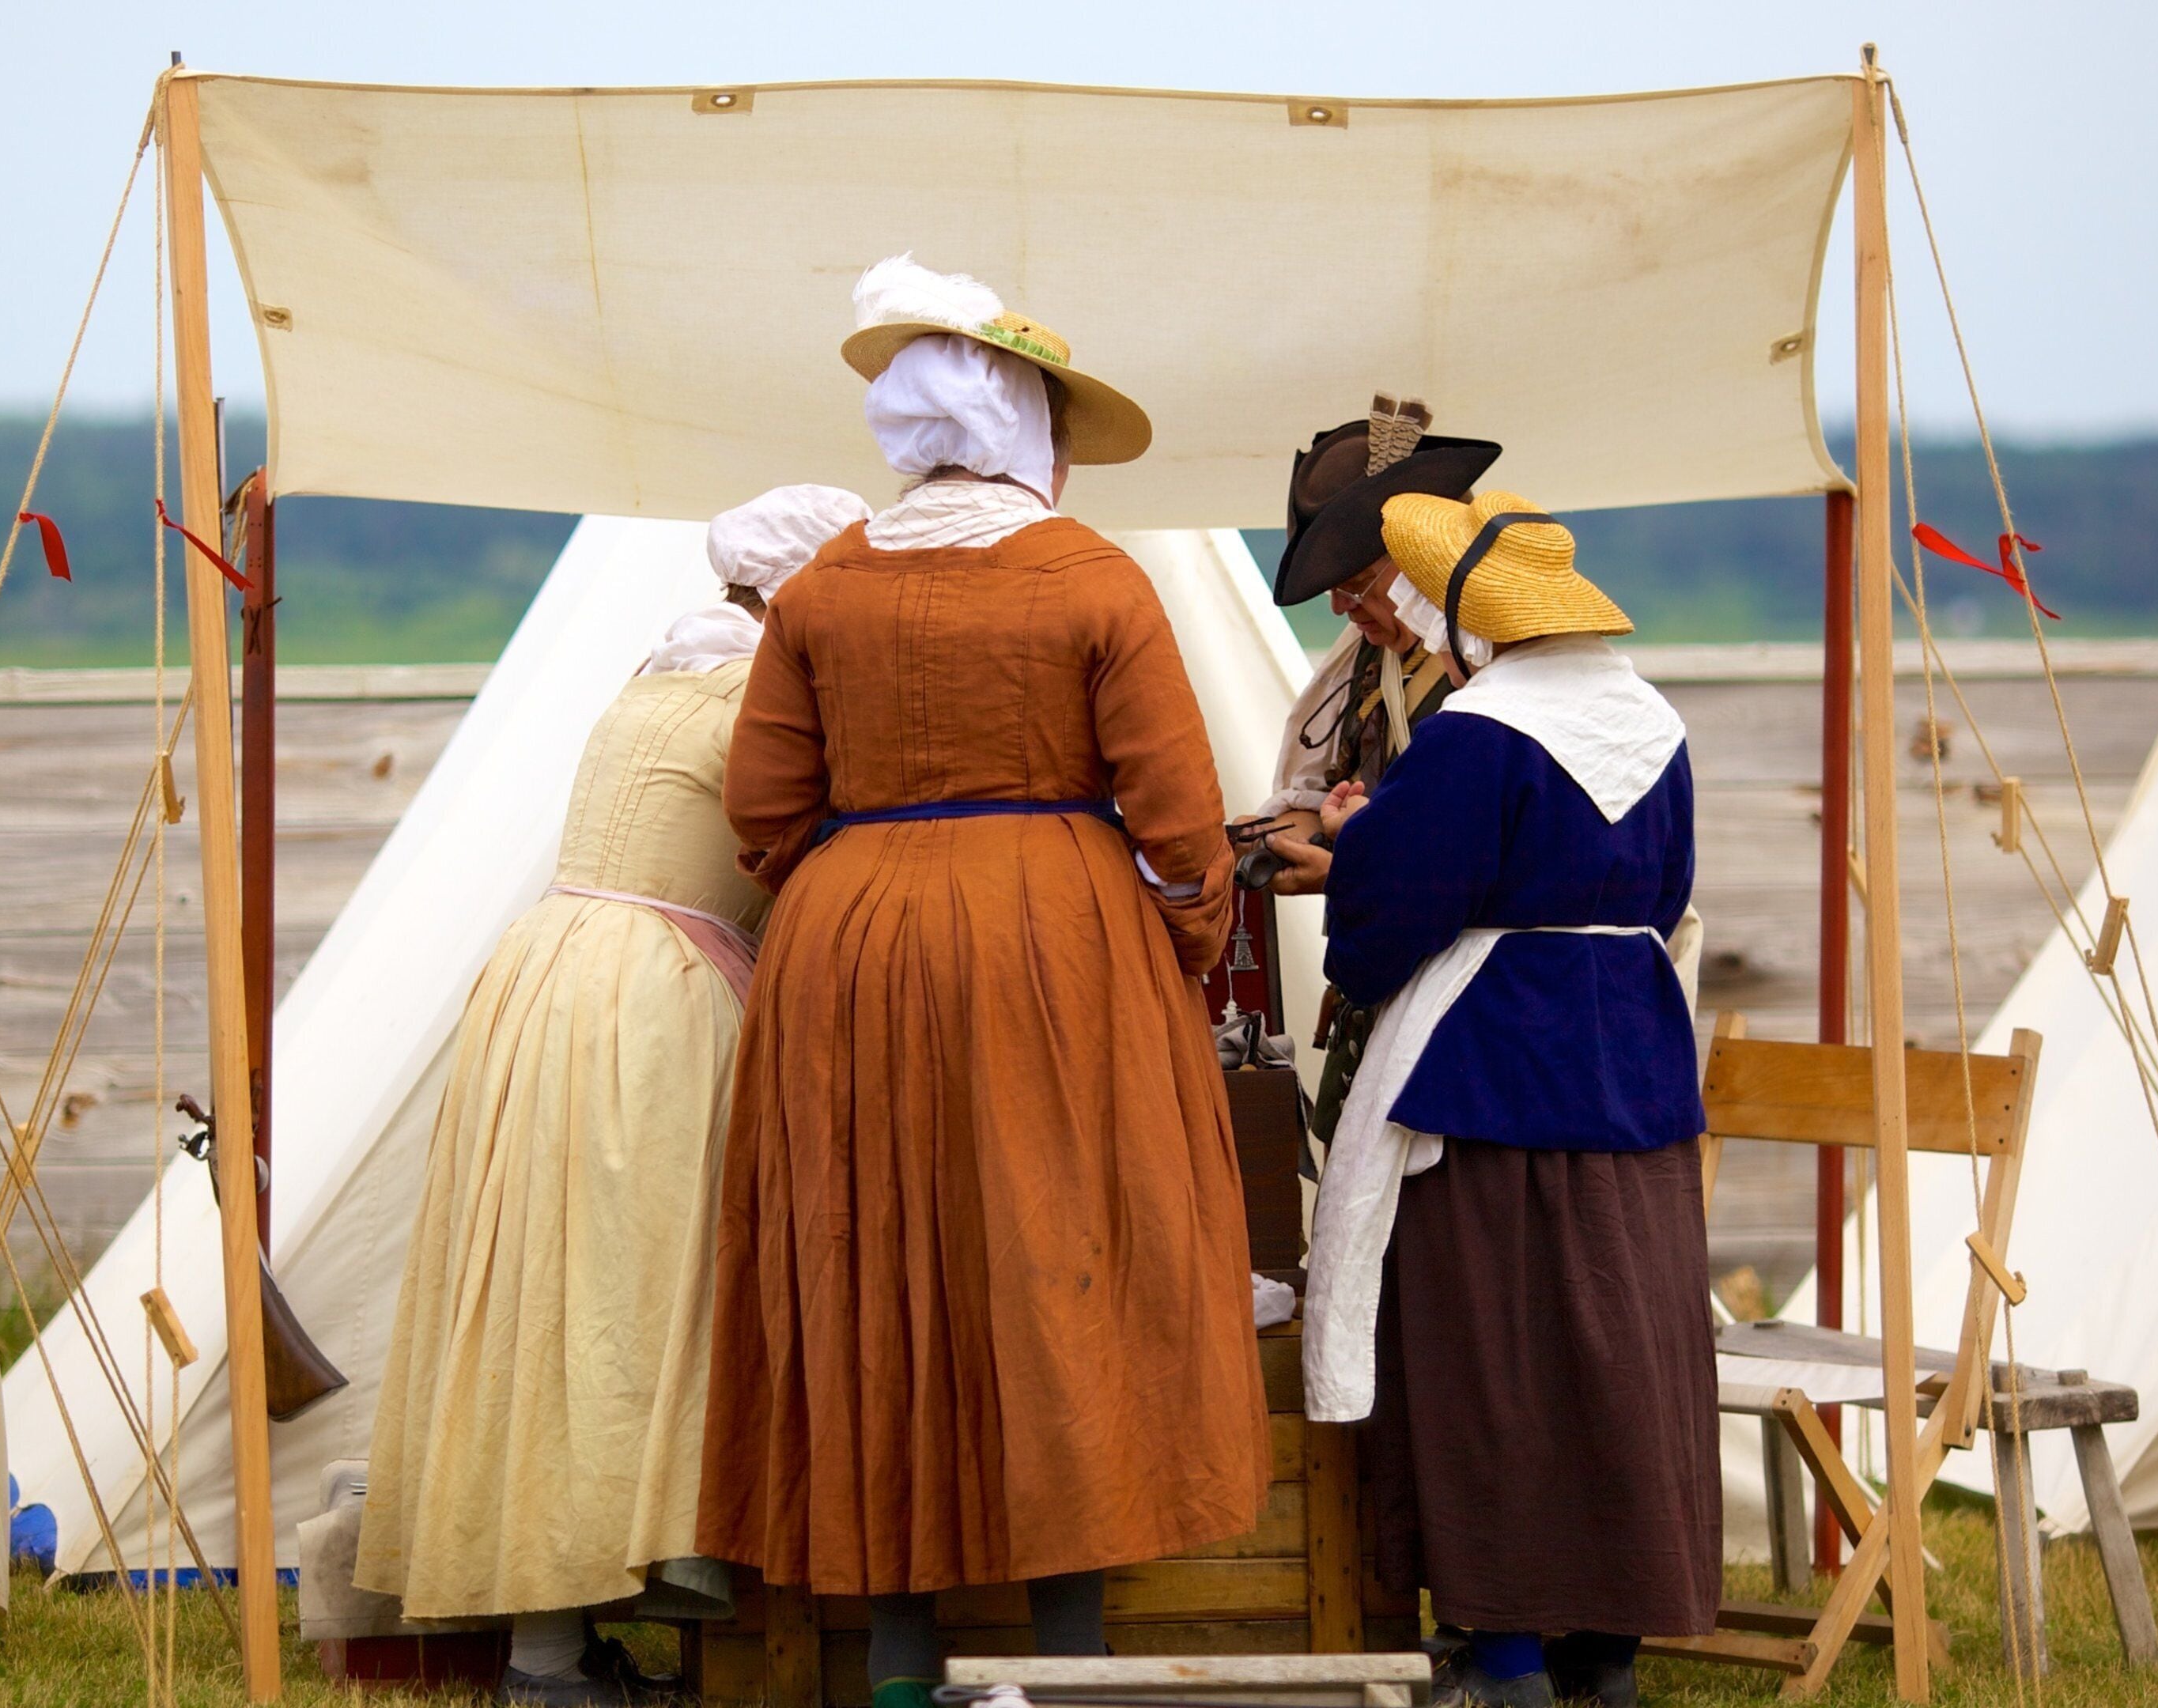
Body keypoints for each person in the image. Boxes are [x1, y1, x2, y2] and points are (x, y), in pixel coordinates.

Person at [700, 255, 1272, 1708]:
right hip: (1056, 951)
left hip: (849, 955)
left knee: (879, 1269)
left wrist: (853, 904)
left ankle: (900, 1670)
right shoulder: (1093, 577)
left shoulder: (827, 584)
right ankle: (1064, 1670)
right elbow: (1180, 822)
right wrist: (1180, 949)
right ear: (1030, 433)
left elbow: (763, 802)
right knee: (1059, 1261)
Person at [353, 483, 874, 1704]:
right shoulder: (761, 694)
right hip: (646, 1006)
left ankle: (553, 1645)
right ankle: (560, 1650)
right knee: (626, 1314)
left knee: (553, 1301)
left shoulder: (658, 676)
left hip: (552, 978)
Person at [1298, 490, 1716, 1708]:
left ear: (1474, 623)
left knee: (1492, 1361)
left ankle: (1515, 1657)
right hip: (1630, 1063)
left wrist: (1355, 842)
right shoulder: (1659, 723)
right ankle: (1610, 1653)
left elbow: (1393, 913)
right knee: (1626, 1356)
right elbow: (1670, 888)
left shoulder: (1478, 732)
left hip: (1488, 1069)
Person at [1249, 400, 1502, 1152]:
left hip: (1469, 1017)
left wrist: (1347, 868)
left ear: (1423, 559)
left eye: (1357, 580)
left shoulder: (1500, 667)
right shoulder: (1368, 662)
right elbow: (1310, 790)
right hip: (1381, 994)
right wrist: (1259, 843)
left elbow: (1487, 869)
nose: (1340, 605)